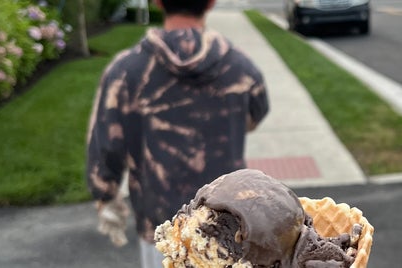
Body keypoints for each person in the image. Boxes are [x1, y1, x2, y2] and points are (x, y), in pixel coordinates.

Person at [85, 0, 269, 266]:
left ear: (158, 2)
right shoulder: (240, 66)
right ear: (211, 2)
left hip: (160, 226)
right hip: (228, 225)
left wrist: (105, 194)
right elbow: (255, 114)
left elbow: (107, 144)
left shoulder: (126, 70)